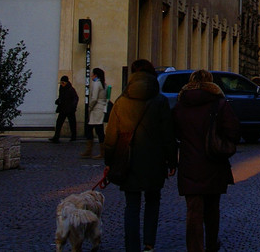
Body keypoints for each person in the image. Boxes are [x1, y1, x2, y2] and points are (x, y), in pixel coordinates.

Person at [104, 59, 178, 252]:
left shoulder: (121, 101)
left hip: (129, 160)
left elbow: (111, 136)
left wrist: (109, 161)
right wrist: (172, 160)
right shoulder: (160, 101)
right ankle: (149, 244)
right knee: (153, 201)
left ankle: (131, 246)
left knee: (132, 205)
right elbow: (168, 134)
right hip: (155, 160)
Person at [173, 69, 241, 252]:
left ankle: (195, 248)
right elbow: (233, 130)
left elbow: (174, 132)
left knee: (193, 212)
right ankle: (211, 244)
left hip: (190, 163)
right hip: (214, 162)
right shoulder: (219, 103)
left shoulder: (181, 105)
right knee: (212, 209)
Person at [81, 67, 107, 158]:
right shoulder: (103, 84)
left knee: (95, 130)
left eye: (92, 74)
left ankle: (98, 152)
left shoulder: (97, 84)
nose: (91, 76)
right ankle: (93, 151)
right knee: (97, 130)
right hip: (100, 108)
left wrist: (90, 107)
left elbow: (94, 98)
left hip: (96, 109)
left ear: (95, 75)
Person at [50, 75, 79, 143]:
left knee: (72, 123)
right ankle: (56, 137)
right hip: (63, 108)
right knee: (59, 123)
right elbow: (61, 97)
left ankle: (73, 136)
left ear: (66, 82)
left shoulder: (71, 89)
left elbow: (75, 98)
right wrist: (58, 101)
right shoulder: (61, 88)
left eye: (63, 83)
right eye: (61, 83)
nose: (62, 84)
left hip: (70, 109)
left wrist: (73, 106)